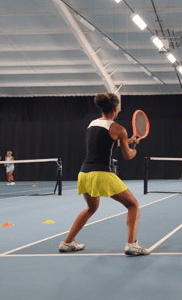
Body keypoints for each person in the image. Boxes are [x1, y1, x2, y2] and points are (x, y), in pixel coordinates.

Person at [59, 93, 150, 256]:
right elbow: (127, 156)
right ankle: (131, 244)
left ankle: (67, 243)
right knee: (133, 205)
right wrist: (133, 150)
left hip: (84, 174)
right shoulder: (119, 128)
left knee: (91, 208)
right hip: (101, 175)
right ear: (115, 109)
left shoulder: (92, 123)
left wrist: (128, 140)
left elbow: (104, 143)